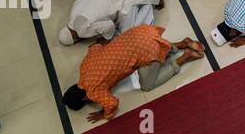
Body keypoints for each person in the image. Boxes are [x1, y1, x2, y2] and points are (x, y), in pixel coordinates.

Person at [62, 24, 205, 122]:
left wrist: (104, 114)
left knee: (147, 85)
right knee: (149, 46)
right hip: (139, 33)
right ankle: (180, 44)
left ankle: (184, 57)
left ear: (83, 99)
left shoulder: (92, 92)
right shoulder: (84, 67)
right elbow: (96, 47)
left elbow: (112, 103)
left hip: (146, 49)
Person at [58, 0, 164, 45]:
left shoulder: (81, 32)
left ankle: (149, 3)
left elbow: (109, 25)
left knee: (127, 36)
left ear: (75, 38)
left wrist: (106, 40)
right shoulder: (73, 11)